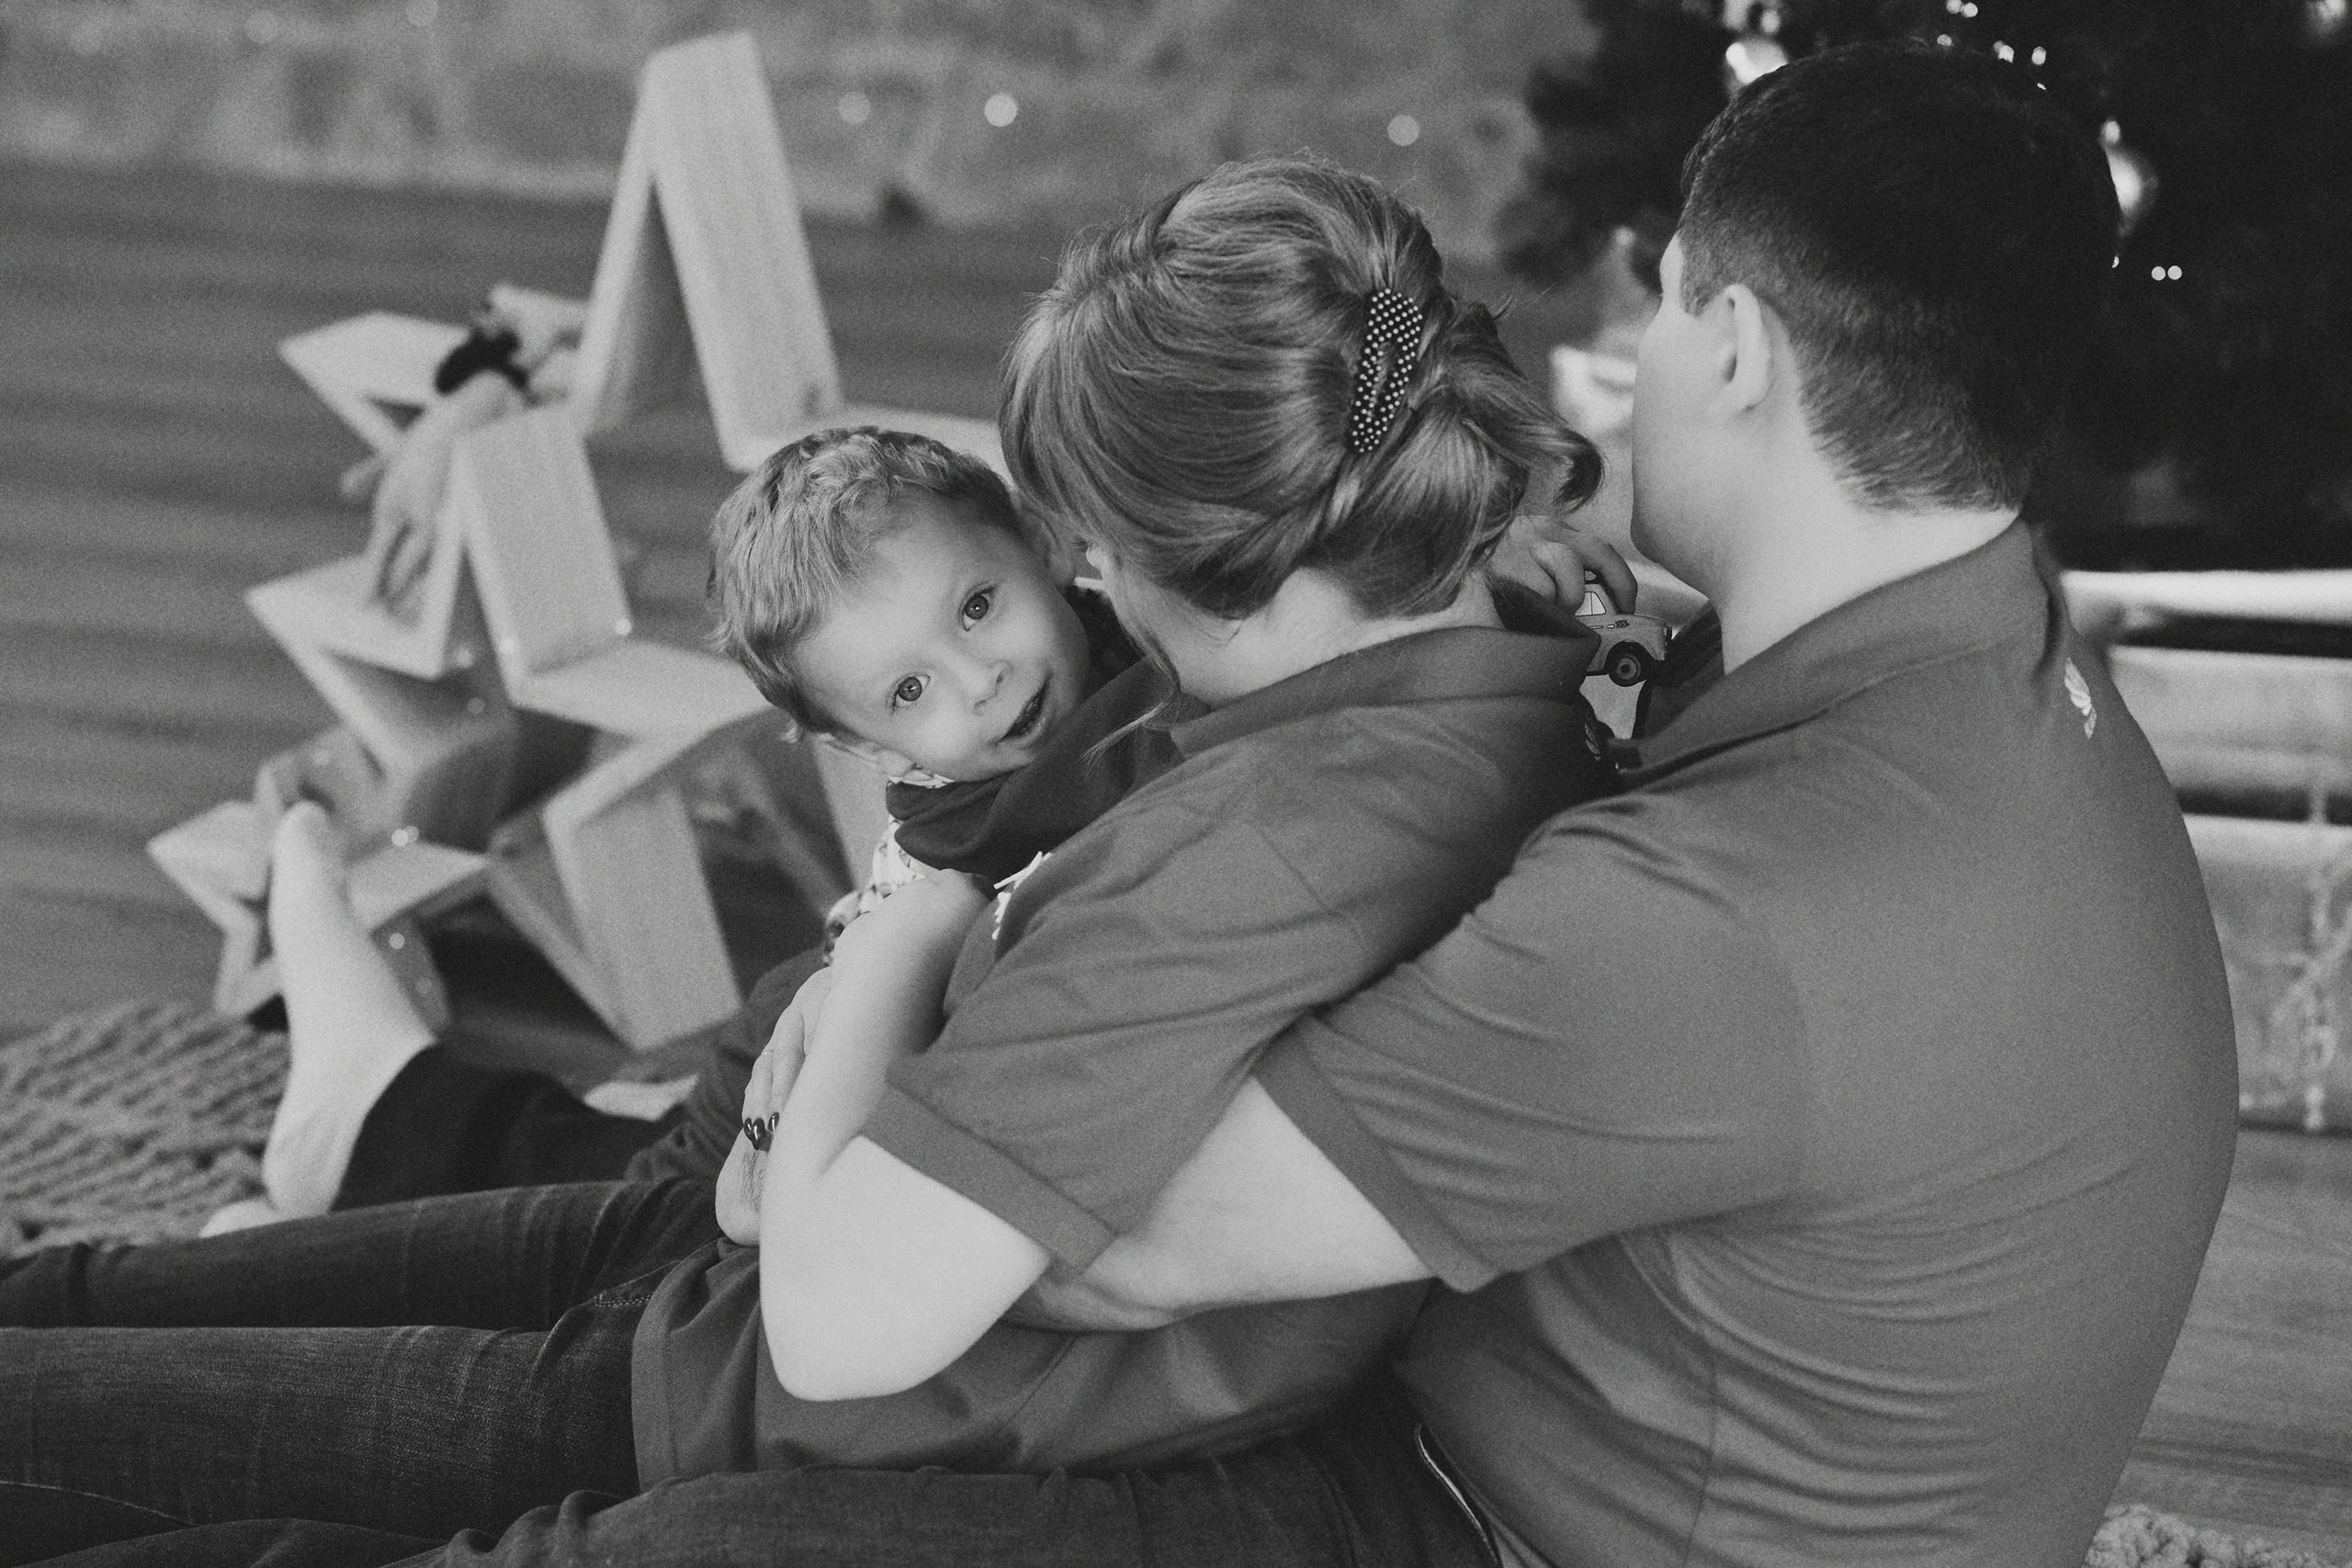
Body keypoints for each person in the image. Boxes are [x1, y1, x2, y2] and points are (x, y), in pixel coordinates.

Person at [4, 40, 2238, 1568]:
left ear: (1737, 348)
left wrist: (910, 924)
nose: (1623, 347)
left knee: (615, 1463)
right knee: (614, 1238)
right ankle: (389, 1139)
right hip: (1513, 1417)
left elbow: (974, 1260)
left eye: (1654, 300)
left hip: (1451, 1501)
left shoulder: (1694, 905)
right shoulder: (1986, 673)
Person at [0, 154, 1622, 1544]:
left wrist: (903, 925)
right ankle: (362, 1119)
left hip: (753, 1389)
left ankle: (359, 1110)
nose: (1086, 599)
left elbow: (840, 1298)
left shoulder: (1282, 834)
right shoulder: (1491, 668)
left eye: (1096, 557)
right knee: (103, 1319)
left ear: (1191, 558)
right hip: (724, 1304)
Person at [248, 423, 1172, 1224]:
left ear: (1046, 544)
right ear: (877, 751)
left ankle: (382, 1111)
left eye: (977, 608)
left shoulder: (1151, 645)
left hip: (829, 1069)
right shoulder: (969, 821)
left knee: (605, 1168)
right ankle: (331, 1174)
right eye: (909, 690)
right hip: (785, 1091)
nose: (981, 681)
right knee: (620, 1225)